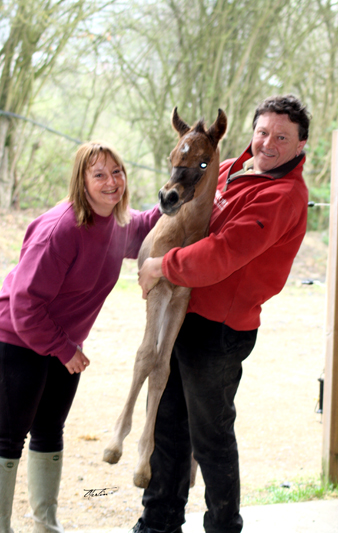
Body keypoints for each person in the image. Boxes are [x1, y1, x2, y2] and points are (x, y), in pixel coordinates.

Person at [135, 94, 311, 533]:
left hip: (221, 330)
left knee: (210, 437)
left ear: (301, 145)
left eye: (282, 137)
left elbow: (223, 252)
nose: (269, 143)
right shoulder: (230, 167)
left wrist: (161, 265)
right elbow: (187, 217)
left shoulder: (283, 196)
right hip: (186, 314)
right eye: (263, 132)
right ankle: (158, 522)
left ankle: (222, 526)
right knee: (167, 423)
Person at [0, 140, 161, 533]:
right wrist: (63, 349)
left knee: (50, 431)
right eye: (99, 174)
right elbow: (24, 305)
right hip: (17, 340)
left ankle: (45, 526)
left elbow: (149, 223)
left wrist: (196, 181)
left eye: (117, 172)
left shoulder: (118, 224)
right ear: (82, 181)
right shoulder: (62, 228)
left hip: (62, 345)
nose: (111, 182)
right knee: (7, 439)